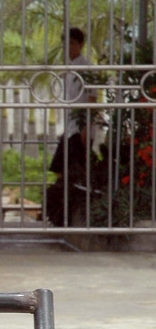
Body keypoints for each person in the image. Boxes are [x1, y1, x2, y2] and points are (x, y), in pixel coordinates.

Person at [45, 26, 93, 226]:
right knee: (60, 168)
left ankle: (72, 211)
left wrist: (86, 126)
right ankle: (62, 210)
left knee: (75, 170)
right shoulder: (69, 68)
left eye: (72, 43)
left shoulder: (86, 68)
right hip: (69, 127)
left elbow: (91, 98)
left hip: (79, 129)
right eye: (66, 44)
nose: (68, 47)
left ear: (80, 45)